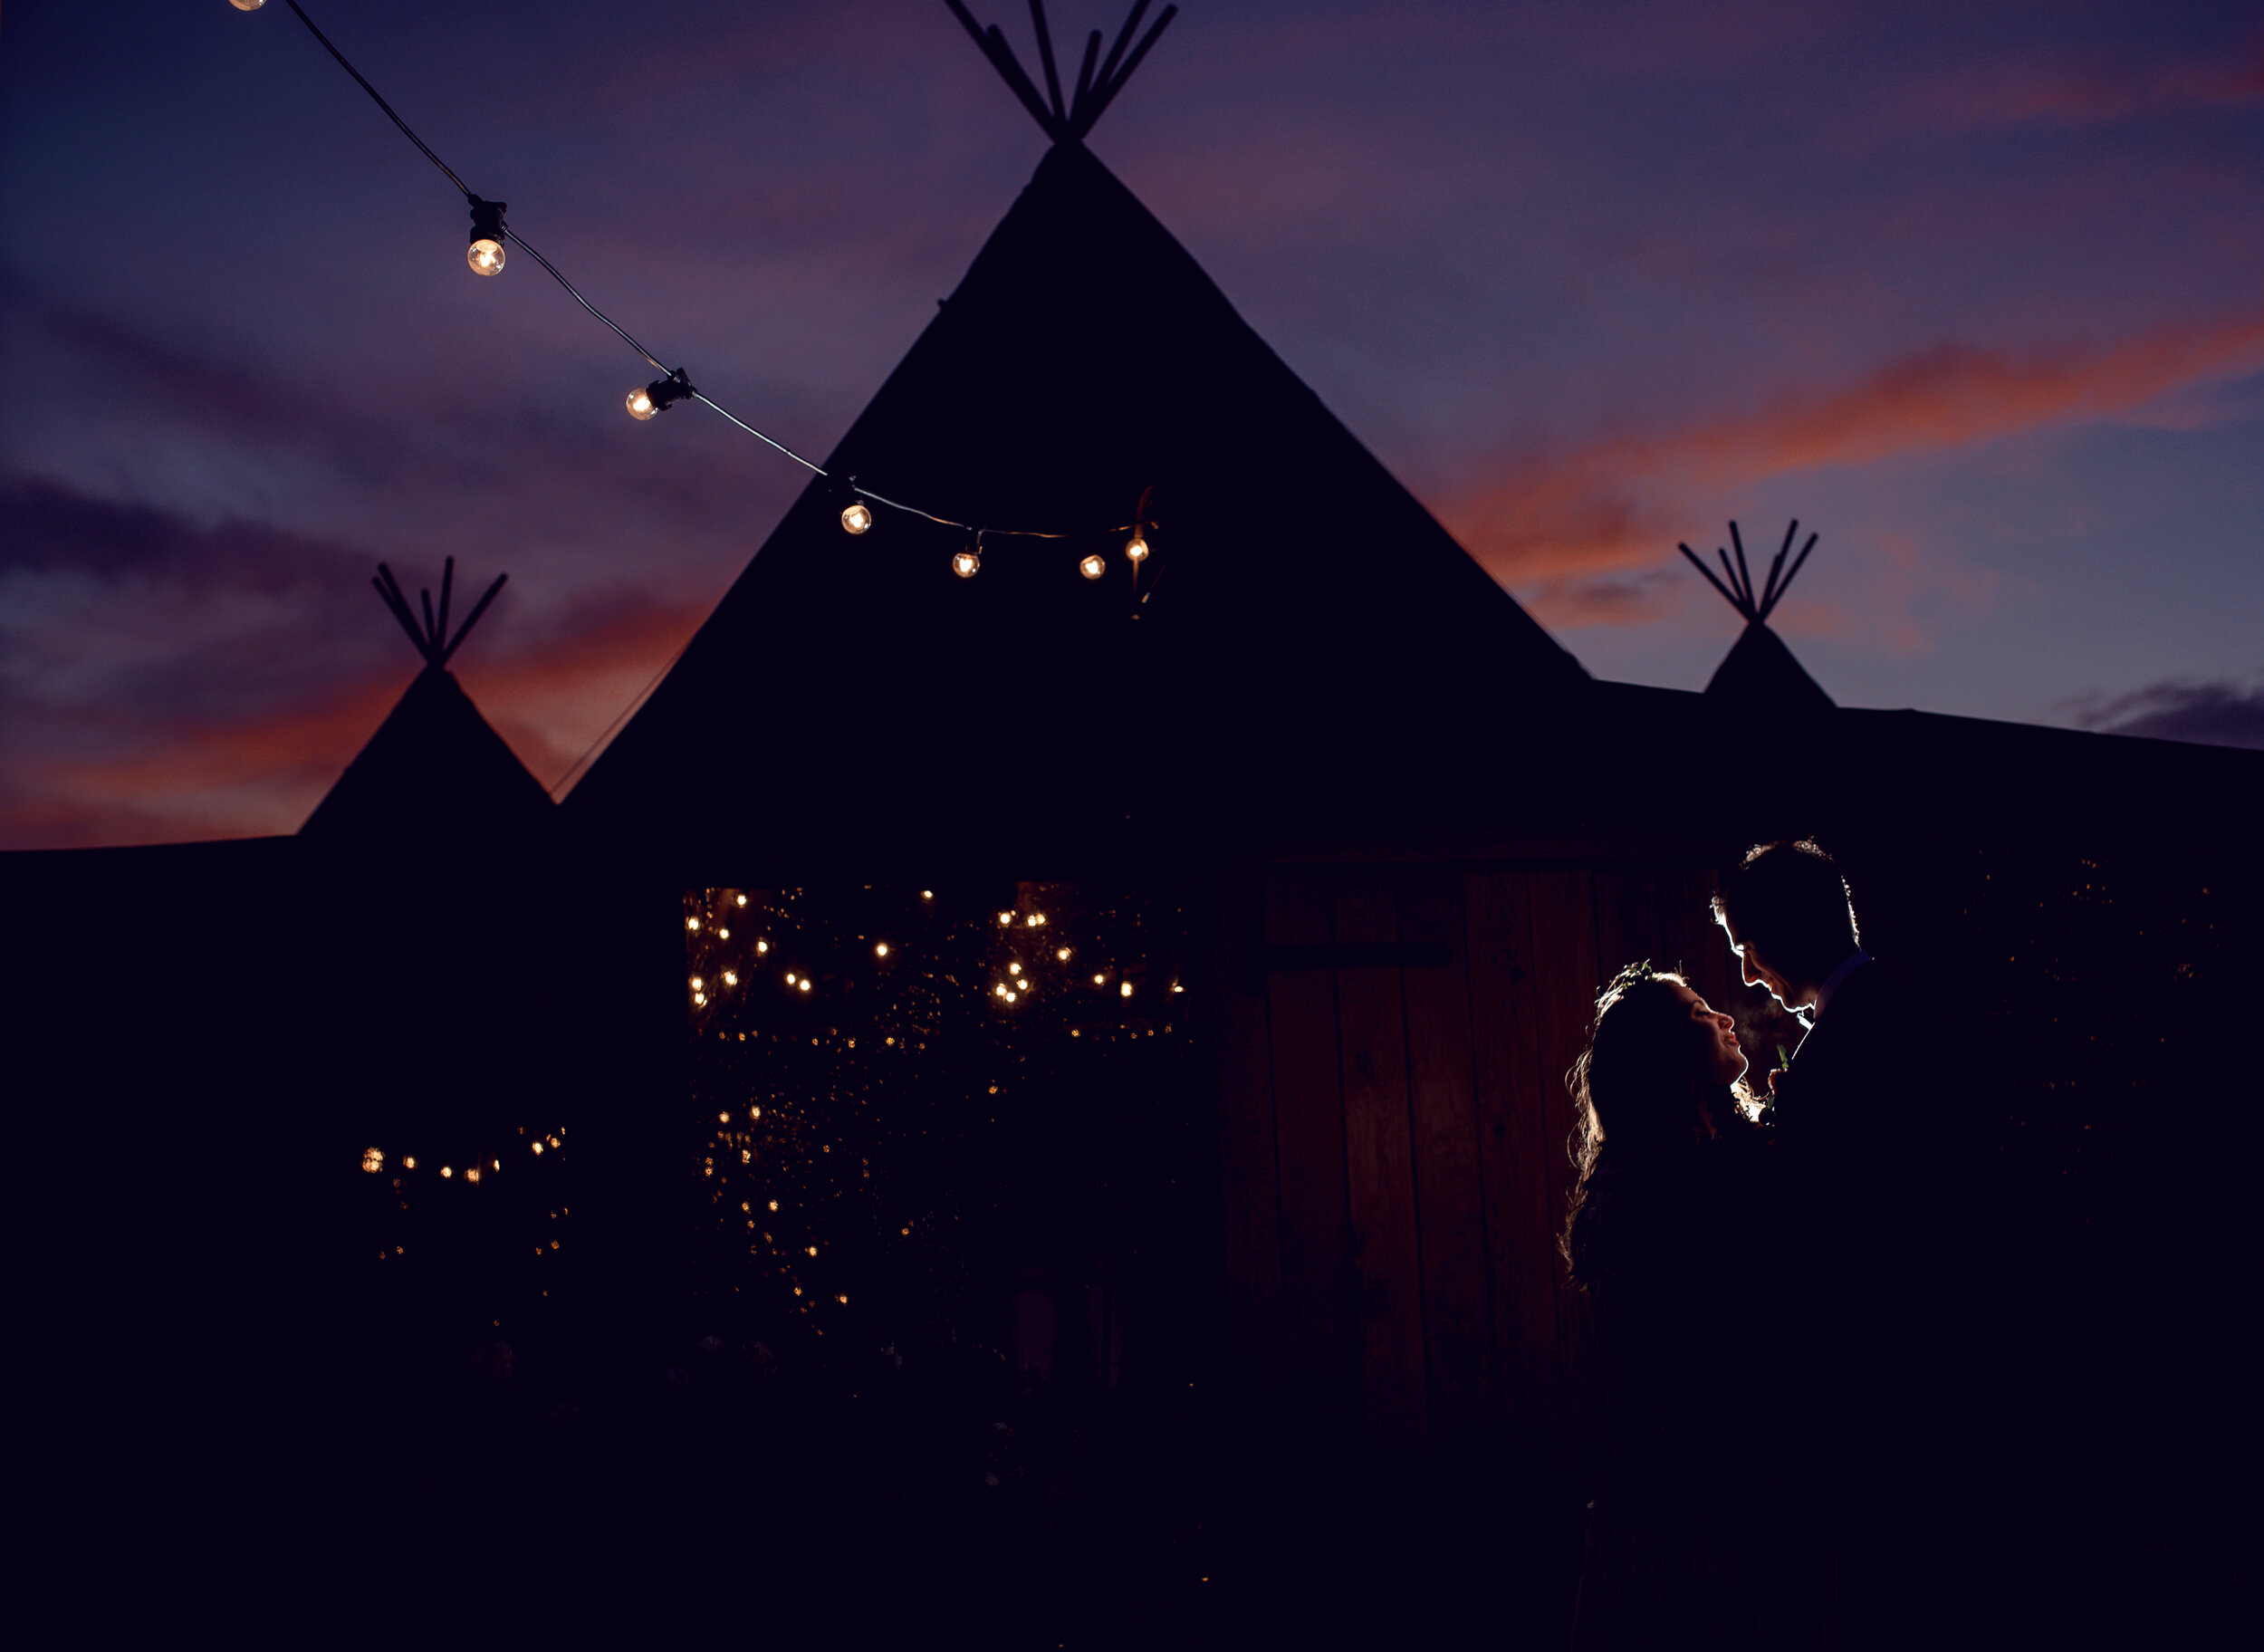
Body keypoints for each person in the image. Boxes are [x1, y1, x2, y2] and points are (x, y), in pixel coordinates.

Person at [1712, 839, 1942, 1647]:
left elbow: (1848, 1224)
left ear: (1781, 932)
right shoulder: (1876, 1014)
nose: (1745, 975)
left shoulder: (1861, 1037)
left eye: (1746, 948)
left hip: (1881, 1375)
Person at [1563, 963, 1819, 1650]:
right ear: (1660, 1054)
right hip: (1677, 1498)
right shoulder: (1635, 1191)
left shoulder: (1732, 1153)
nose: (1726, 1017)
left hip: (1752, 1481)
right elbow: (1669, 1356)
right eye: (1699, 1010)